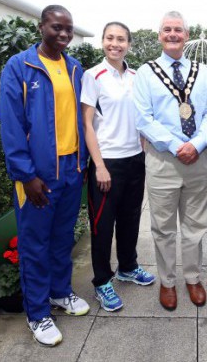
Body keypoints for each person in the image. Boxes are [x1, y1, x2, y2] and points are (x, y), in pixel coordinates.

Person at [0, 5, 90, 347]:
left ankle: (60, 293)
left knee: (63, 238)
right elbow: (11, 124)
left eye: (68, 28)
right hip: (37, 175)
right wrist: (25, 175)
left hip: (70, 169)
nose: (63, 34)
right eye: (56, 27)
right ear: (41, 27)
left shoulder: (75, 67)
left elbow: (80, 119)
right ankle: (37, 313)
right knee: (35, 244)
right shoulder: (20, 66)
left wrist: (81, 164)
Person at [132, 11, 207, 311]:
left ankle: (193, 278)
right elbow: (143, 118)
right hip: (163, 160)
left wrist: (195, 144)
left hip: (198, 158)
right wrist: (176, 145)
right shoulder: (146, 72)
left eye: (178, 30)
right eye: (167, 29)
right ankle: (167, 282)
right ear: (159, 35)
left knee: (195, 225)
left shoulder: (201, 71)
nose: (172, 34)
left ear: (186, 35)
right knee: (163, 227)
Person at [81, 22, 156, 313]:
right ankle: (102, 281)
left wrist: (143, 145)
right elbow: (87, 124)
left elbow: (142, 116)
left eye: (121, 39)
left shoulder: (137, 77)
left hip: (135, 159)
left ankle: (128, 266)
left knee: (130, 219)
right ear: (102, 41)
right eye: (110, 38)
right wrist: (98, 165)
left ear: (129, 44)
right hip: (106, 162)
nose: (116, 43)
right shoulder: (93, 75)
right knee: (102, 226)